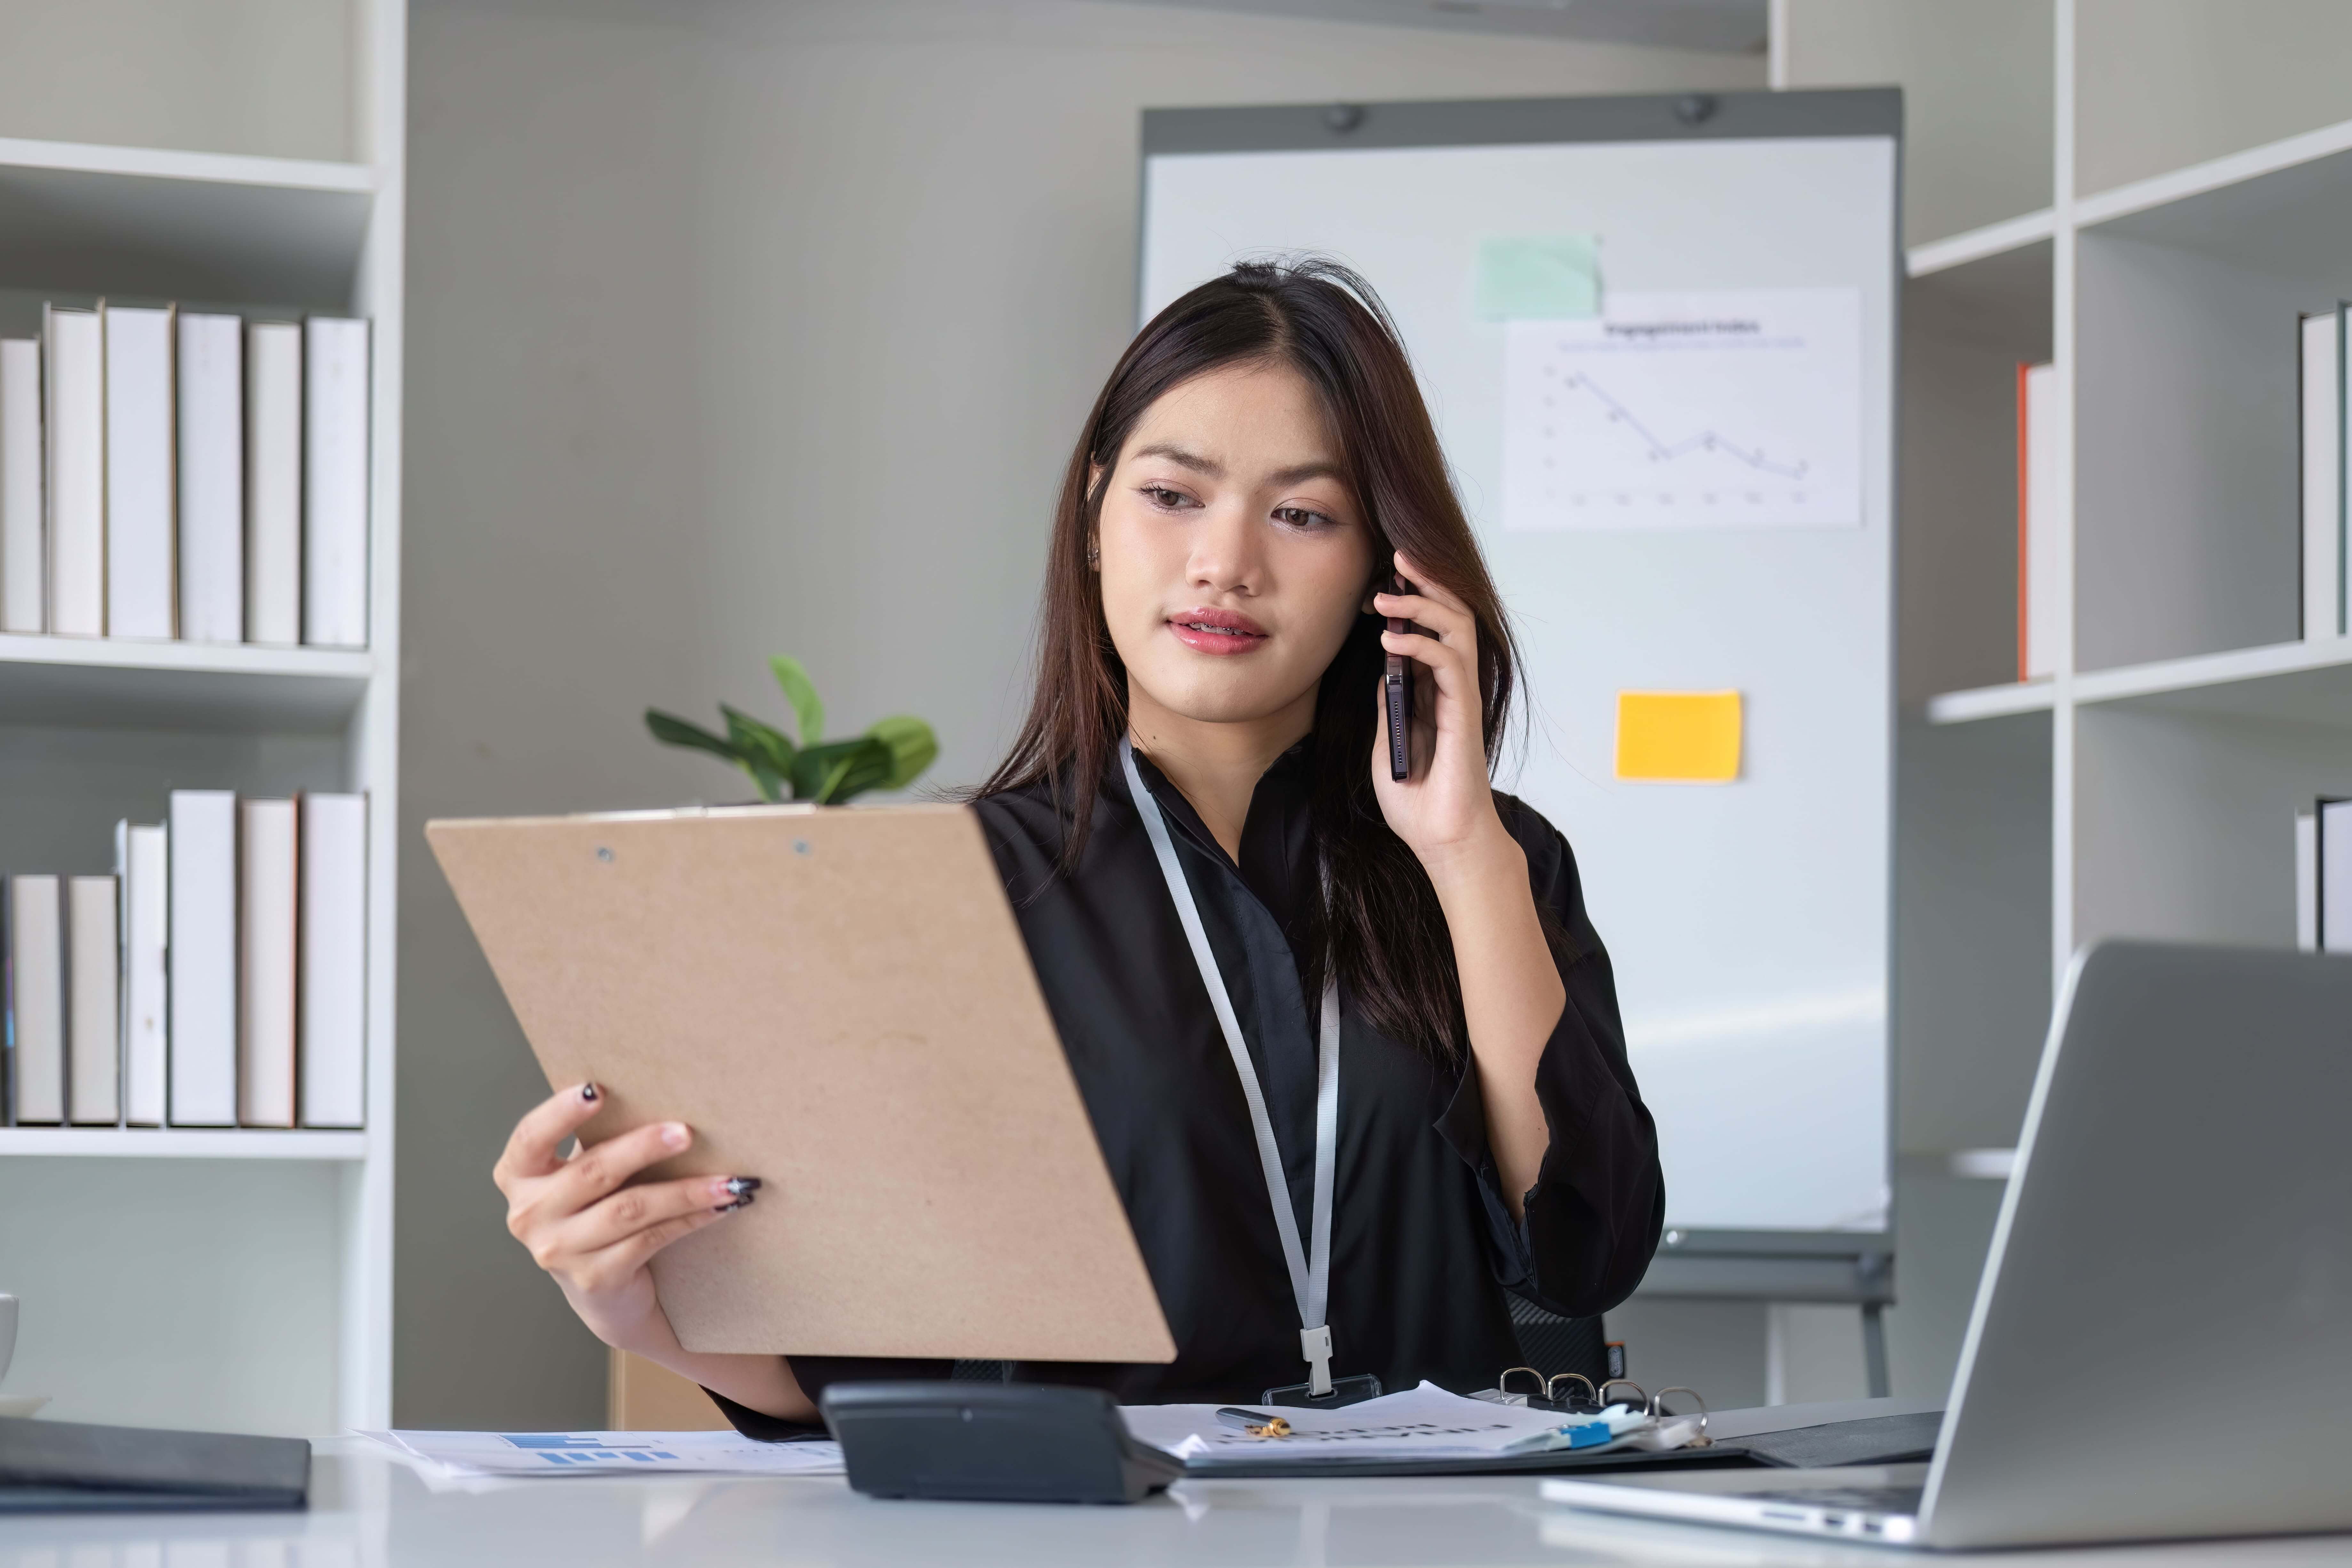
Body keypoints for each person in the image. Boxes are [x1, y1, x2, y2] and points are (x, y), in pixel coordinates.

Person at [492, 258, 1663, 1429]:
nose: (1226, 563)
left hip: (1430, 1541)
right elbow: (868, 1368)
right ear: (1097, 513)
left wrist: (1461, 851)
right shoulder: (958, 888)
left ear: (1381, 572)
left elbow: (1587, 1250)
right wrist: (636, 1311)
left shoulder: (1494, 867)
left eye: (1303, 514)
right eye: (1173, 495)